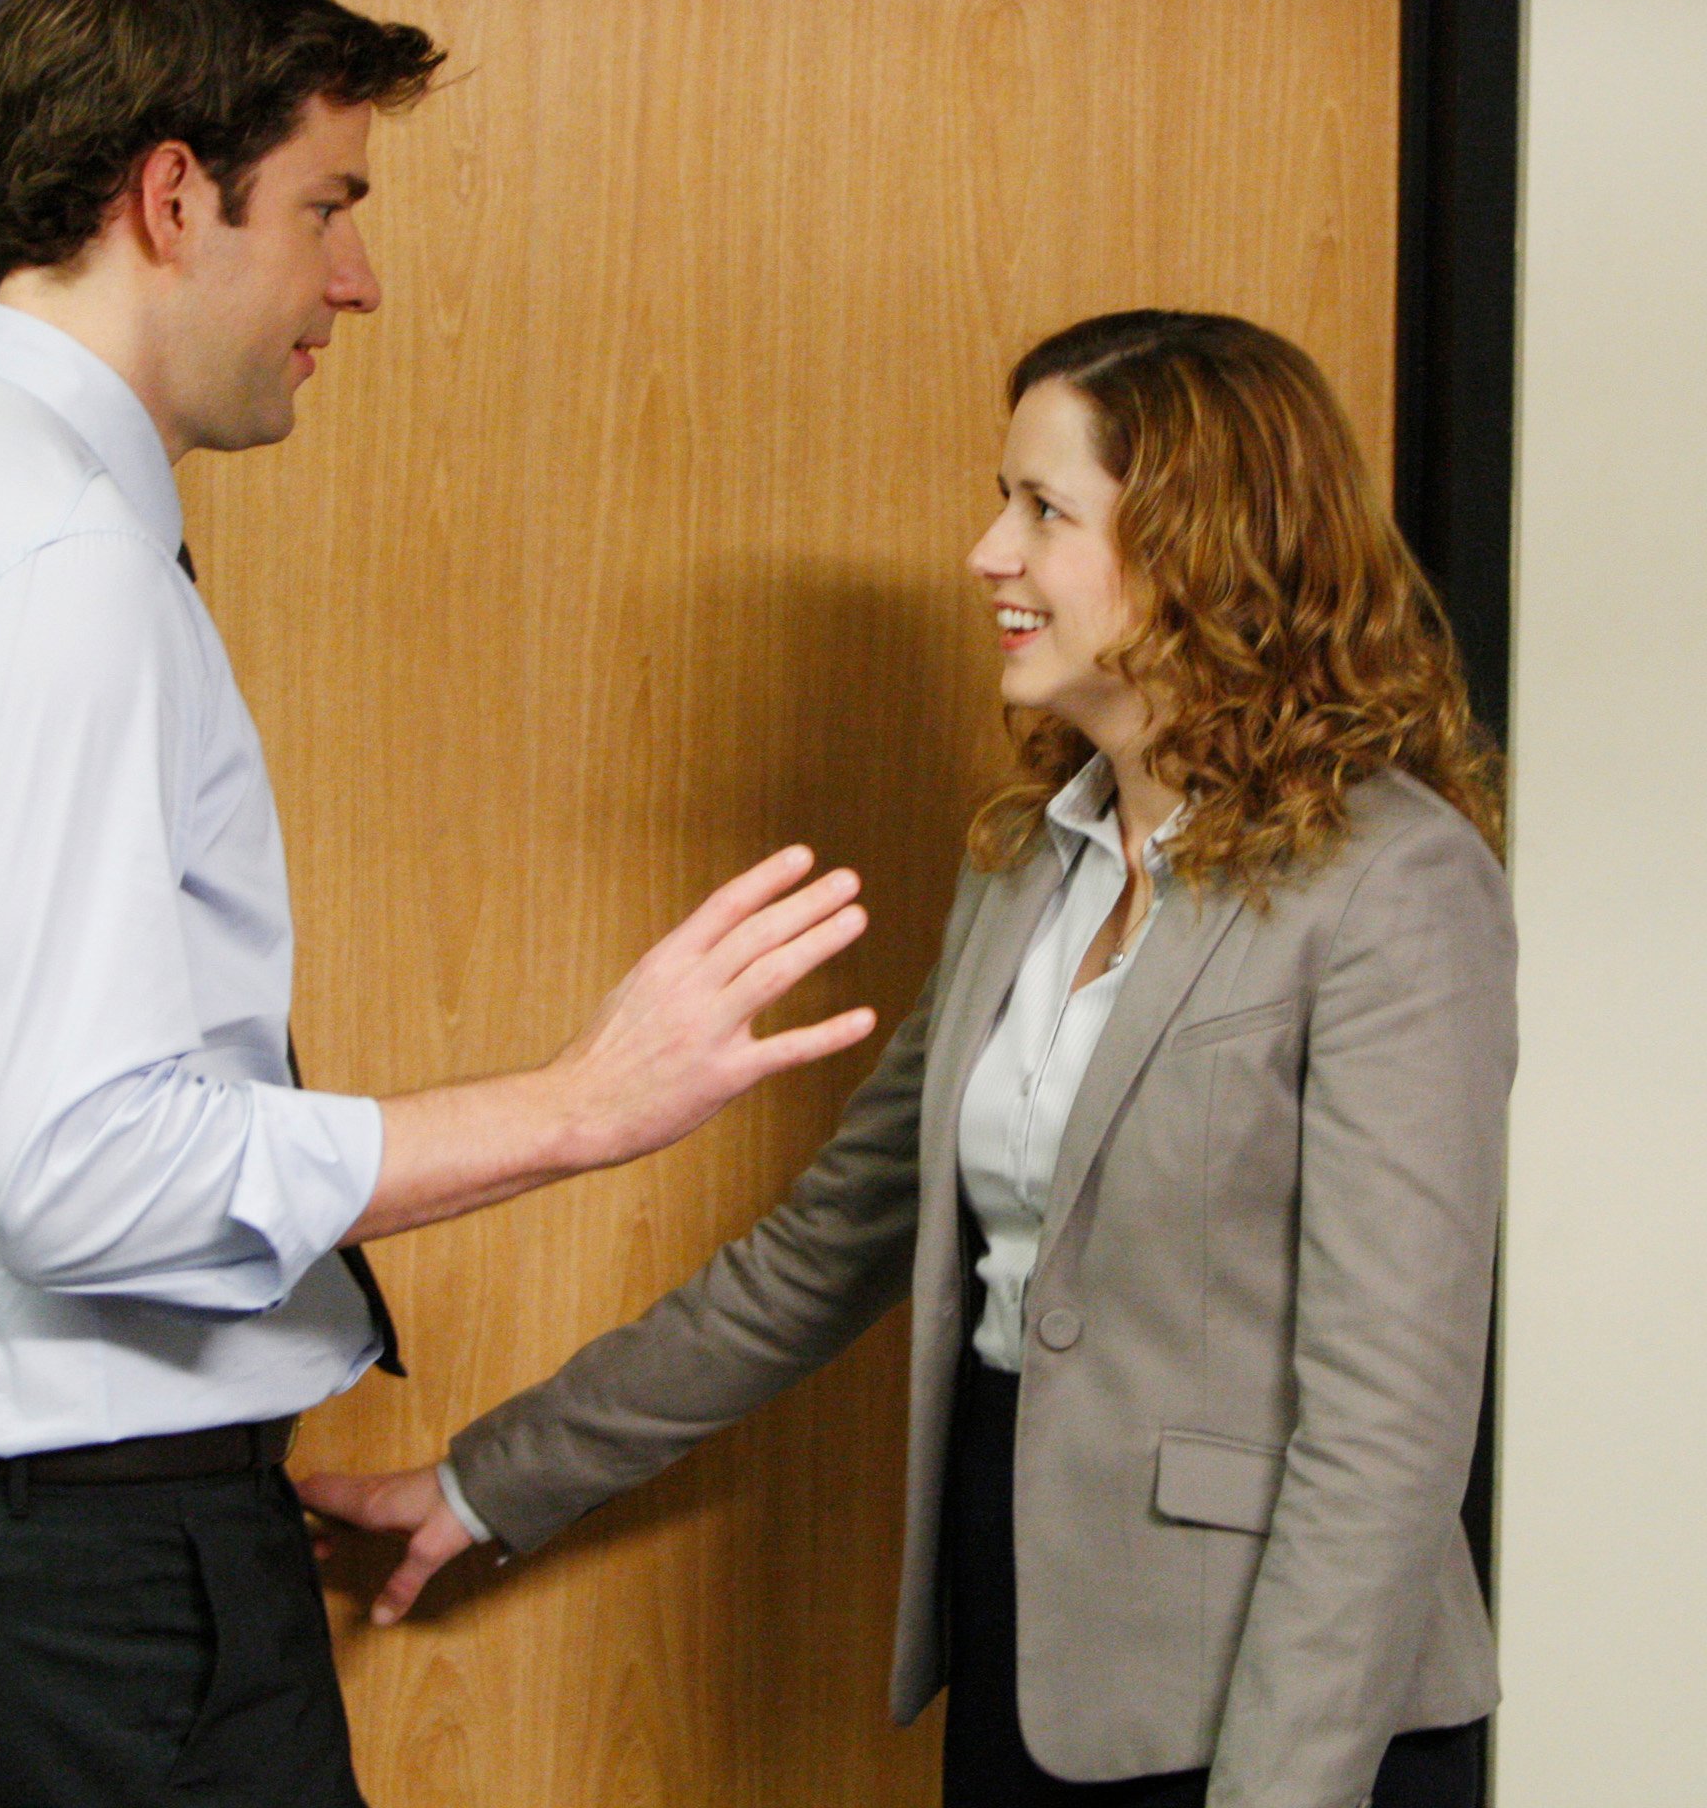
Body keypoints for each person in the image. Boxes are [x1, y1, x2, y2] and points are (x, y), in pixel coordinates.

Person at [0, 0, 875, 1808]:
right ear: (172, 197)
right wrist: (582, 1108)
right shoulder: (47, 568)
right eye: (327, 206)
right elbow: (88, 1173)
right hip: (83, 1589)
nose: (358, 281)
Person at [305, 309, 1514, 1808]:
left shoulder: (1396, 885)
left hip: (1287, 1717)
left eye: (1042, 510)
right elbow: (825, 1252)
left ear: (1205, 546)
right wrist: (492, 1479)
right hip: (1022, 1653)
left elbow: (1388, 1423)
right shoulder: (1031, 865)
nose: (985, 555)